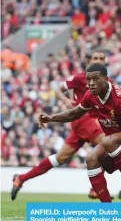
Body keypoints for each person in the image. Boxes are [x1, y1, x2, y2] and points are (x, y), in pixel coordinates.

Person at [37, 63, 121, 202]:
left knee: (107, 140)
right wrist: (51, 118)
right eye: (88, 79)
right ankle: (107, 209)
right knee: (91, 158)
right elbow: (74, 113)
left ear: (106, 78)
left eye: (95, 79)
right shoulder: (91, 96)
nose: (91, 83)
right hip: (115, 145)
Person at [11, 52, 106, 201]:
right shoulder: (79, 78)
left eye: (101, 59)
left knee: (60, 158)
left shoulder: (107, 81)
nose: (99, 61)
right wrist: (66, 100)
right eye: (96, 59)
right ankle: (96, 189)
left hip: (92, 122)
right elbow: (58, 90)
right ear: (89, 62)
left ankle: (20, 179)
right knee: (109, 145)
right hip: (83, 119)